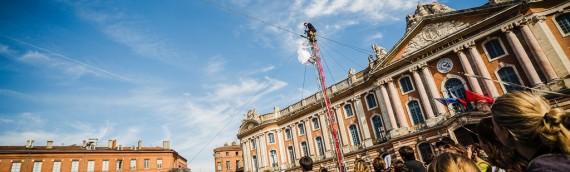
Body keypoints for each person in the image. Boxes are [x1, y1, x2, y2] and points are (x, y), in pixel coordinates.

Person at [491, 91, 570, 172]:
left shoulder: (541, 168)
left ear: (505, 132)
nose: (494, 131)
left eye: (494, 126)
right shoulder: (560, 155)